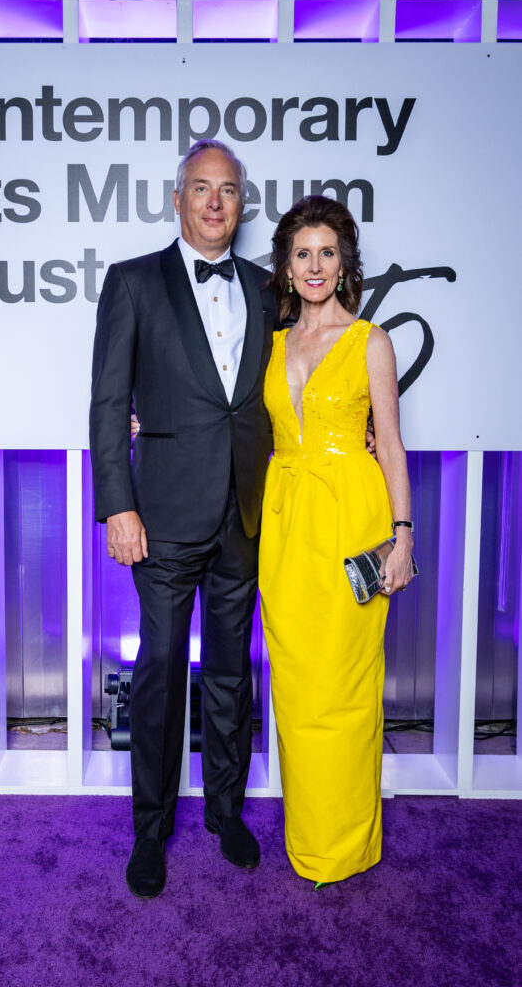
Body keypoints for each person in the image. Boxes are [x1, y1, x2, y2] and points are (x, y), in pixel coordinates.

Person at [89, 140, 278, 899]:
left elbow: (288, 389)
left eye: (227, 191)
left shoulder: (271, 289)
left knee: (232, 673)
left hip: (245, 512)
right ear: (177, 199)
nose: (213, 202)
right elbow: (107, 404)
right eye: (200, 188)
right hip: (160, 513)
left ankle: (226, 813)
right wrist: (116, 504)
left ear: (240, 204)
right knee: (160, 674)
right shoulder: (133, 283)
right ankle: (150, 828)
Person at [258, 195, 415, 888]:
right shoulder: (269, 343)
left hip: (350, 516)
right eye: (302, 254)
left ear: (343, 263)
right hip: (284, 520)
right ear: (286, 269)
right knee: (296, 687)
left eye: (327, 253)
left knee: (345, 687)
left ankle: (345, 845)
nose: (315, 265)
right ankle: (309, 837)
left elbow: (392, 446)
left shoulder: (369, 340)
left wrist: (401, 537)